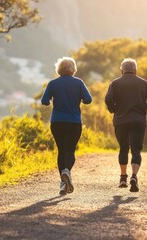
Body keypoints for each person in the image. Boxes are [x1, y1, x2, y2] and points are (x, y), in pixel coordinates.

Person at [105, 58, 147, 192]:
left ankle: (123, 177)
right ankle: (134, 176)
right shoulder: (142, 82)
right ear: (135, 70)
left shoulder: (115, 83)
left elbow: (108, 99)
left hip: (121, 120)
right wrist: (143, 108)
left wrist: (114, 110)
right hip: (138, 120)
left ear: (121, 70)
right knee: (136, 149)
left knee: (123, 148)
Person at [41, 57, 92, 195]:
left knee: (61, 151)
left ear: (59, 69)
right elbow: (88, 99)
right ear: (73, 69)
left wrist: (52, 100)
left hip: (57, 122)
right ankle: (66, 172)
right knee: (70, 151)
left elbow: (44, 101)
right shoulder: (79, 83)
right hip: (74, 122)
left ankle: (63, 184)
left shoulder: (53, 83)